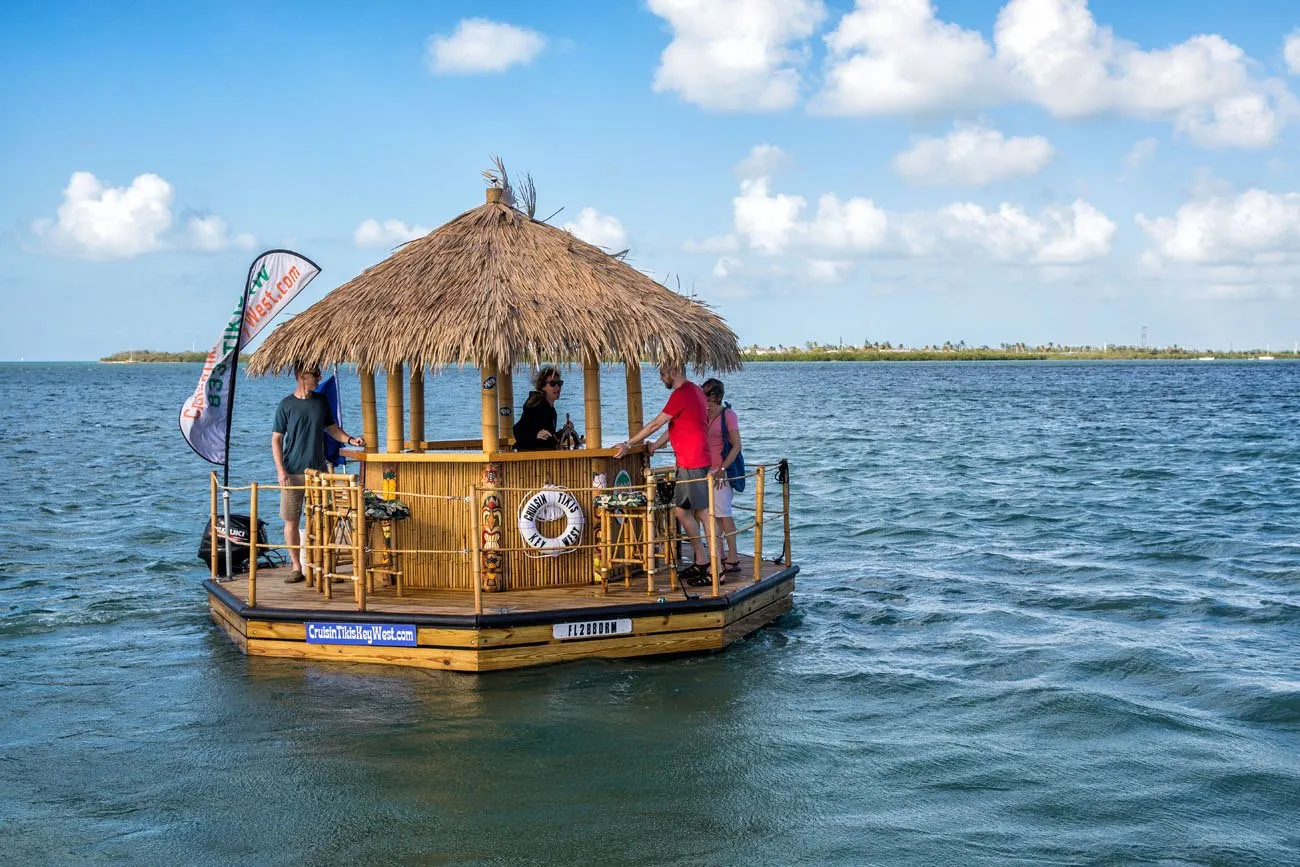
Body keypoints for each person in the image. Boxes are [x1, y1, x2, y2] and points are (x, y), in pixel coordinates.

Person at [613, 365, 712, 582]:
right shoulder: (695, 391)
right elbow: (674, 427)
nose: (661, 378)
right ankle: (703, 561)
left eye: (662, 374)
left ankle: (714, 567)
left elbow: (656, 423)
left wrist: (629, 444)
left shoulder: (682, 393)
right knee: (688, 512)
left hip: (692, 461)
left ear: (673, 371)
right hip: (693, 459)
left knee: (698, 514)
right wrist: (655, 446)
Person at [272, 363, 364, 583]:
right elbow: (276, 438)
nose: (318, 378)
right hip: (292, 472)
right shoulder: (286, 405)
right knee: (291, 520)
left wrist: (351, 440)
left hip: (319, 472)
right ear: (301, 376)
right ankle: (297, 567)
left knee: (323, 519)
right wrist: (280, 470)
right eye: (315, 375)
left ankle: (324, 567)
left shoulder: (321, 401)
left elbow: (332, 429)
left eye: (319, 375)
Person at [701, 378, 743, 574]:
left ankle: (733, 556)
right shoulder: (703, 414)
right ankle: (719, 554)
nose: (706, 398)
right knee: (712, 515)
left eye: (708, 394)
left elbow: (736, 446)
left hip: (721, 471)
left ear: (716, 396)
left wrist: (723, 470)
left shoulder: (728, 415)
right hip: (705, 470)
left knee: (724, 514)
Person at [513, 366, 563, 450]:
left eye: (559, 383)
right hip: (528, 457)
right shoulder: (535, 405)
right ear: (542, 387)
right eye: (553, 384)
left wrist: (564, 431)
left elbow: (549, 438)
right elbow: (518, 430)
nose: (557, 387)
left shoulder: (551, 411)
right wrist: (535, 434)